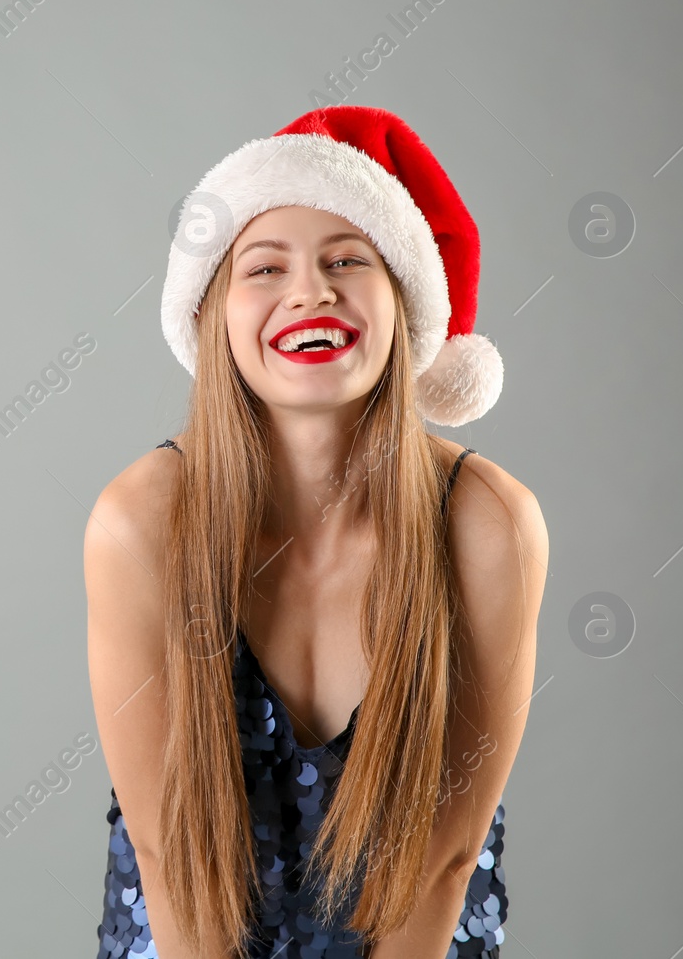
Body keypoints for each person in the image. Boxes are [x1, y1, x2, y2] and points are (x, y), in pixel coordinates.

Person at [85, 107, 548, 958]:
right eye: (265, 267)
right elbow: (163, 850)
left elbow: (446, 859)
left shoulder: (488, 522)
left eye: (347, 260)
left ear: (405, 303)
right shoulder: (139, 520)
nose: (311, 291)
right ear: (212, 314)